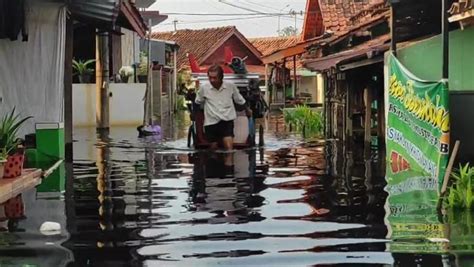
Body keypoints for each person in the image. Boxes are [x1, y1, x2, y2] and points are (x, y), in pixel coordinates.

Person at [195, 64, 248, 150]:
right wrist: (195, 114)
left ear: (221, 77)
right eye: (210, 78)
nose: (212, 80)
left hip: (226, 120)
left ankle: (229, 161)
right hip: (211, 121)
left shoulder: (230, 86)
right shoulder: (204, 88)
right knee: (213, 148)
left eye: (215, 78)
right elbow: (198, 101)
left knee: (229, 147)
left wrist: (247, 110)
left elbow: (240, 100)